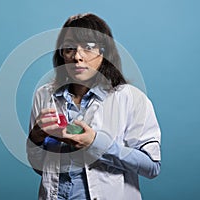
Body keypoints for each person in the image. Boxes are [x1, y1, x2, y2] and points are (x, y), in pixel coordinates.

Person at [27, 13, 161, 200]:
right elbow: (41, 168)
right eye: (69, 49)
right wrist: (35, 138)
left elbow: (152, 166)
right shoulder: (44, 95)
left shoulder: (131, 99)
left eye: (89, 47)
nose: (77, 57)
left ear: (104, 52)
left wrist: (95, 144)